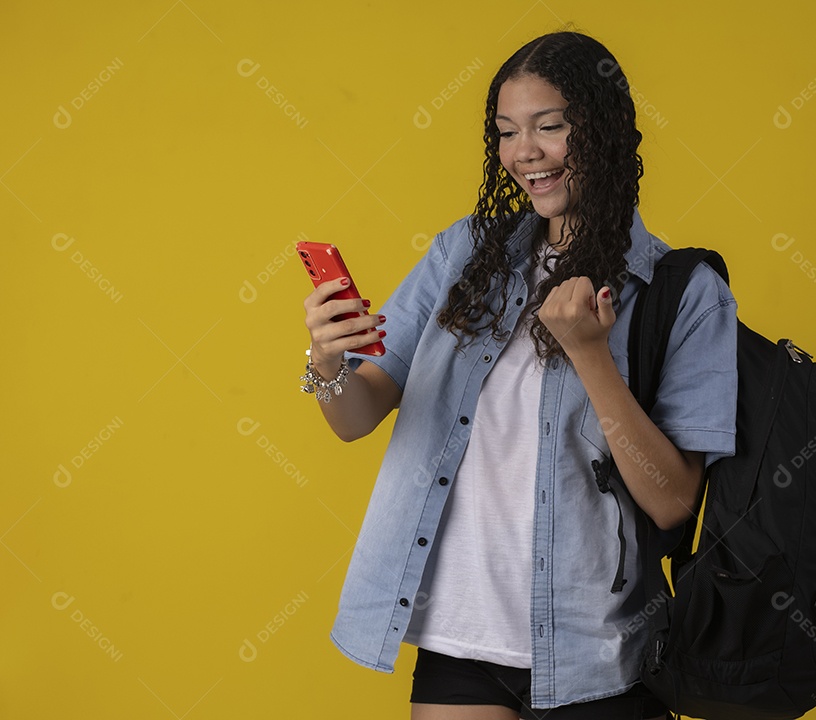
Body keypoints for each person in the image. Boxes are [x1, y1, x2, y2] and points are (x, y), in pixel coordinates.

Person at [301, 30, 738, 720]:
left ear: (603, 131)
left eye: (549, 127)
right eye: (506, 132)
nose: (523, 153)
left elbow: (673, 503)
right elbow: (356, 417)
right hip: (460, 639)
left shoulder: (682, 291)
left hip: (599, 654)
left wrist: (590, 355)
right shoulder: (463, 257)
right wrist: (327, 361)